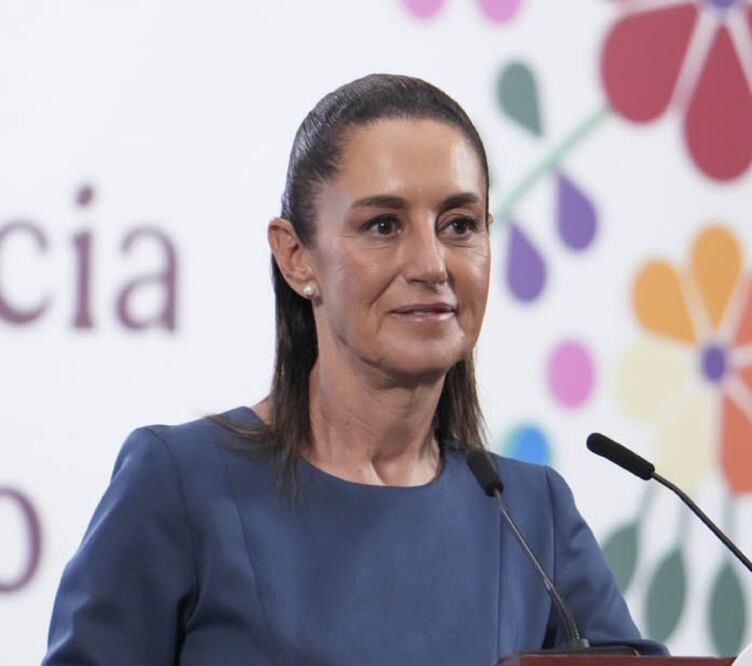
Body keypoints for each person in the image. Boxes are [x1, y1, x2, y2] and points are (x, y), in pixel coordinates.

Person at [43, 74, 664, 665]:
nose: (432, 264)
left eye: (459, 225)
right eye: (383, 225)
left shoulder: (534, 515)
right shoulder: (180, 483)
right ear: (296, 258)